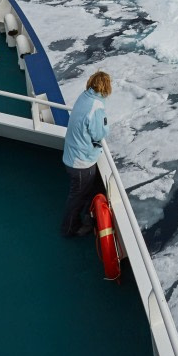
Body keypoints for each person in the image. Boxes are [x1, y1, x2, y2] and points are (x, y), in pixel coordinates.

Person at [60, 71, 111, 237]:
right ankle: (69, 229)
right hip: (81, 162)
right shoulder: (96, 107)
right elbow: (98, 134)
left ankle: (85, 219)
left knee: (80, 193)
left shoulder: (84, 97)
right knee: (77, 198)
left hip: (71, 154)